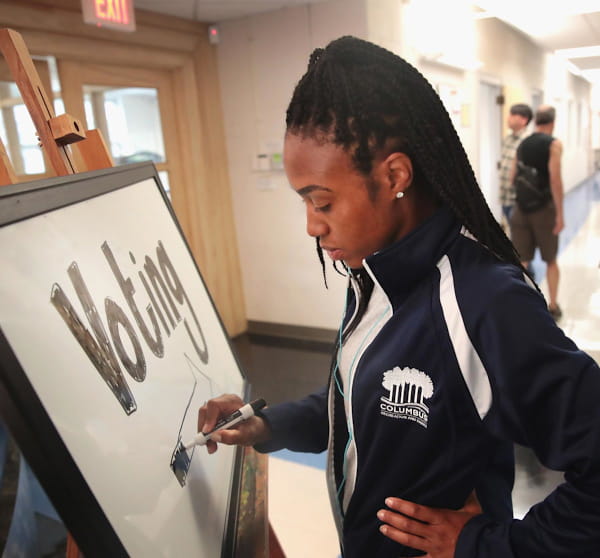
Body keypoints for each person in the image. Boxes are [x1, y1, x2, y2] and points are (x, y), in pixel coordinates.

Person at [199, 37, 600, 557]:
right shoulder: (374, 275)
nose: (311, 226)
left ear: (393, 176)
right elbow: (361, 403)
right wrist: (268, 424)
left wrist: (487, 545)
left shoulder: (483, 300)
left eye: (322, 201)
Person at [510, 105, 564, 320]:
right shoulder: (554, 144)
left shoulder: (522, 144)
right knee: (550, 260)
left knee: (521, 261)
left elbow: (513, 176)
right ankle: (552, 304)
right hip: (544, 210)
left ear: (535, 122)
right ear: (552, 123)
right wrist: (560, 213)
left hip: (521, 209)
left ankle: (521, 305)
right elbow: (555, 179)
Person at [498, 103, 532, 227]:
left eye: (512, 115)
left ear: (524, 120)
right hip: (505, 197)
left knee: (519, 236)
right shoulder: (508, 139)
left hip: (518, 200)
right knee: (512, 232)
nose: (508, 118)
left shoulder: (528, 141)